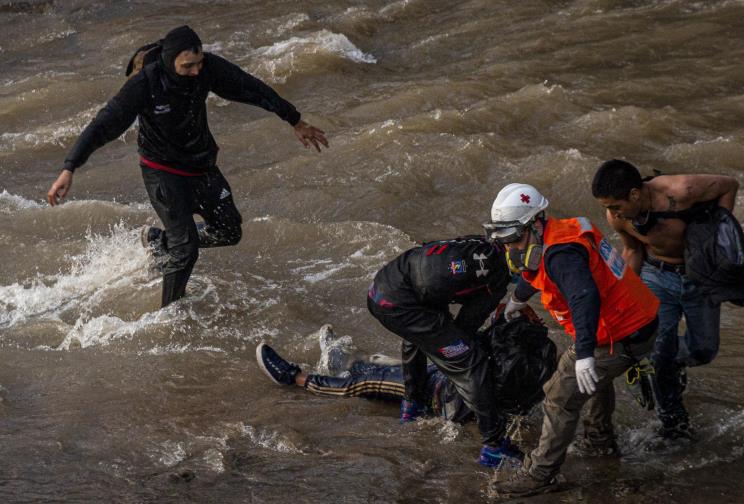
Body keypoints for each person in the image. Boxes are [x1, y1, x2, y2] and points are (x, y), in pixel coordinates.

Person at [46, 25, 329, 307]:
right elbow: (102, 126)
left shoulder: (207, 69)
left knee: (229, 231)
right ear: (170, 62)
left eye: (199, 63)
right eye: (187, 66)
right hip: (162, 172)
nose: (196, 71)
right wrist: (70, 167)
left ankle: (159, 241)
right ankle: (169, 315)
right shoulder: (145, 84)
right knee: (186, 250)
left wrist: (295, 120)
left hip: (201, 166)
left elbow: (251, 88)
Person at [485, 183, 659, 498]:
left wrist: (585, 354)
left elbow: (584, 297)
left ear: (536, 223)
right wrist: (518, 301)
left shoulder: (562, 254)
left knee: (559, 395)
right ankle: (600, 442)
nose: (509, 247)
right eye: (502, 239)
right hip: (638, 321)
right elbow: (533, 270)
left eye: (513, 238)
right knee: (593, 381)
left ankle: (540, 475)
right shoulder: (557, 233)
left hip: (618, 333)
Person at [591, 159, 740, 440]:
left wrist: (720, 232)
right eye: (607, 208)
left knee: (703, 350)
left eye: (615, 206)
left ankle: (673, 363)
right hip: (656, 276)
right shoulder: (620, 217)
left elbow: (730, 185)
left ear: (635, 194)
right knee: (659, 350)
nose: (612, 214)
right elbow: (632, 250)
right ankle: (674, 424)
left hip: (699, 276)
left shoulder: (681, 191)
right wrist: (621, 298)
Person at [365, 235, 518, 467]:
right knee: (470, 360)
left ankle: (411, 406)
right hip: (403, 304)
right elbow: (466, 327)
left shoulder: (478, 244)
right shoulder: (497, 277)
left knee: (417, 336)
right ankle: (494, 447)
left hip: (383, 287)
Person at [255, 316, 557, 426]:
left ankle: (293, 377)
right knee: (376, 366)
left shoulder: (501, 371)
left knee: (363, 383)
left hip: (435, 392)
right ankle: (341, 360)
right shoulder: (530, 369)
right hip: (448, 384)